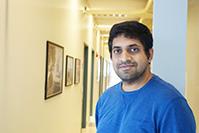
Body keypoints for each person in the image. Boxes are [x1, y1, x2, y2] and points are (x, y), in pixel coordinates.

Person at [95, 21, 196, 133]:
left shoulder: (171, 104)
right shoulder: (105, 99)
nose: (124, 58)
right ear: (111, 56)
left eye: (133, 49)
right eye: (117, 51)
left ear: (149, 54)